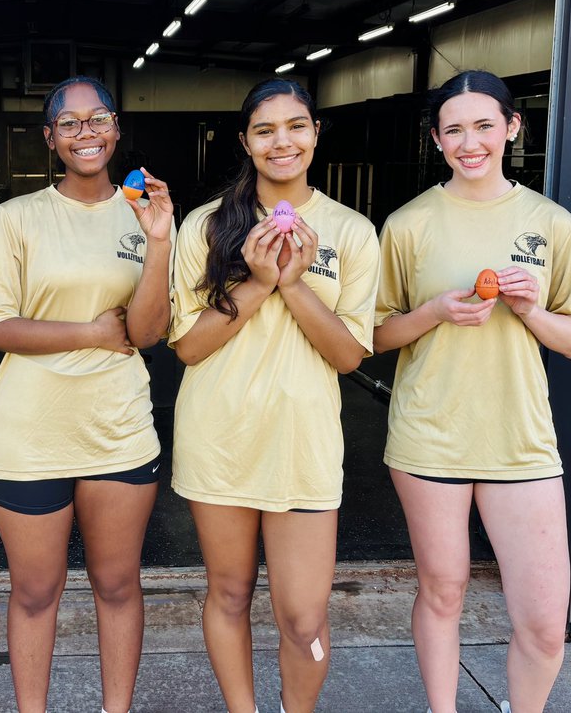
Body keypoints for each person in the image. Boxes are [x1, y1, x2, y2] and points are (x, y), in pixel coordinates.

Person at [373, 70, 571, 713]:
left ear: (512, 128)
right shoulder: (408, 225)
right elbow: (378, 336)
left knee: (545, 620)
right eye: (453, 130)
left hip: (519, 440)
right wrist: (436, 311)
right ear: (437, 140)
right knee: (442, 592)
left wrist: (529, 310)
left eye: (483, 126)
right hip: (429, 436)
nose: (470, 142)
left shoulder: (550, 223)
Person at [169, 79, 380, 713]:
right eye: (265, 130)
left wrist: (295, 286)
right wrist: (259, 284)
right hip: (221, 438)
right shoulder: (206, 226)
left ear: (316, 133)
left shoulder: (353, 231)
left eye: (296, 126)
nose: (281, 141)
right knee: (228, 593)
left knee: (304, 617)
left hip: (304, 445)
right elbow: (187, 347)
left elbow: (348, 355)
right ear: (245, 142)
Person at [0, 75, 174, 713]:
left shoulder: (146, 212)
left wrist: (161, 237)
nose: (86, 132)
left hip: (117, 427)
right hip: (30, 433)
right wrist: (89, 331)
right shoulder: (18, 217)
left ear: (116, 128)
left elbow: (146, 333)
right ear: (51, 139)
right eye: (70, 123)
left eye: (98, 119)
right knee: (34, 592)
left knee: (117, 586)